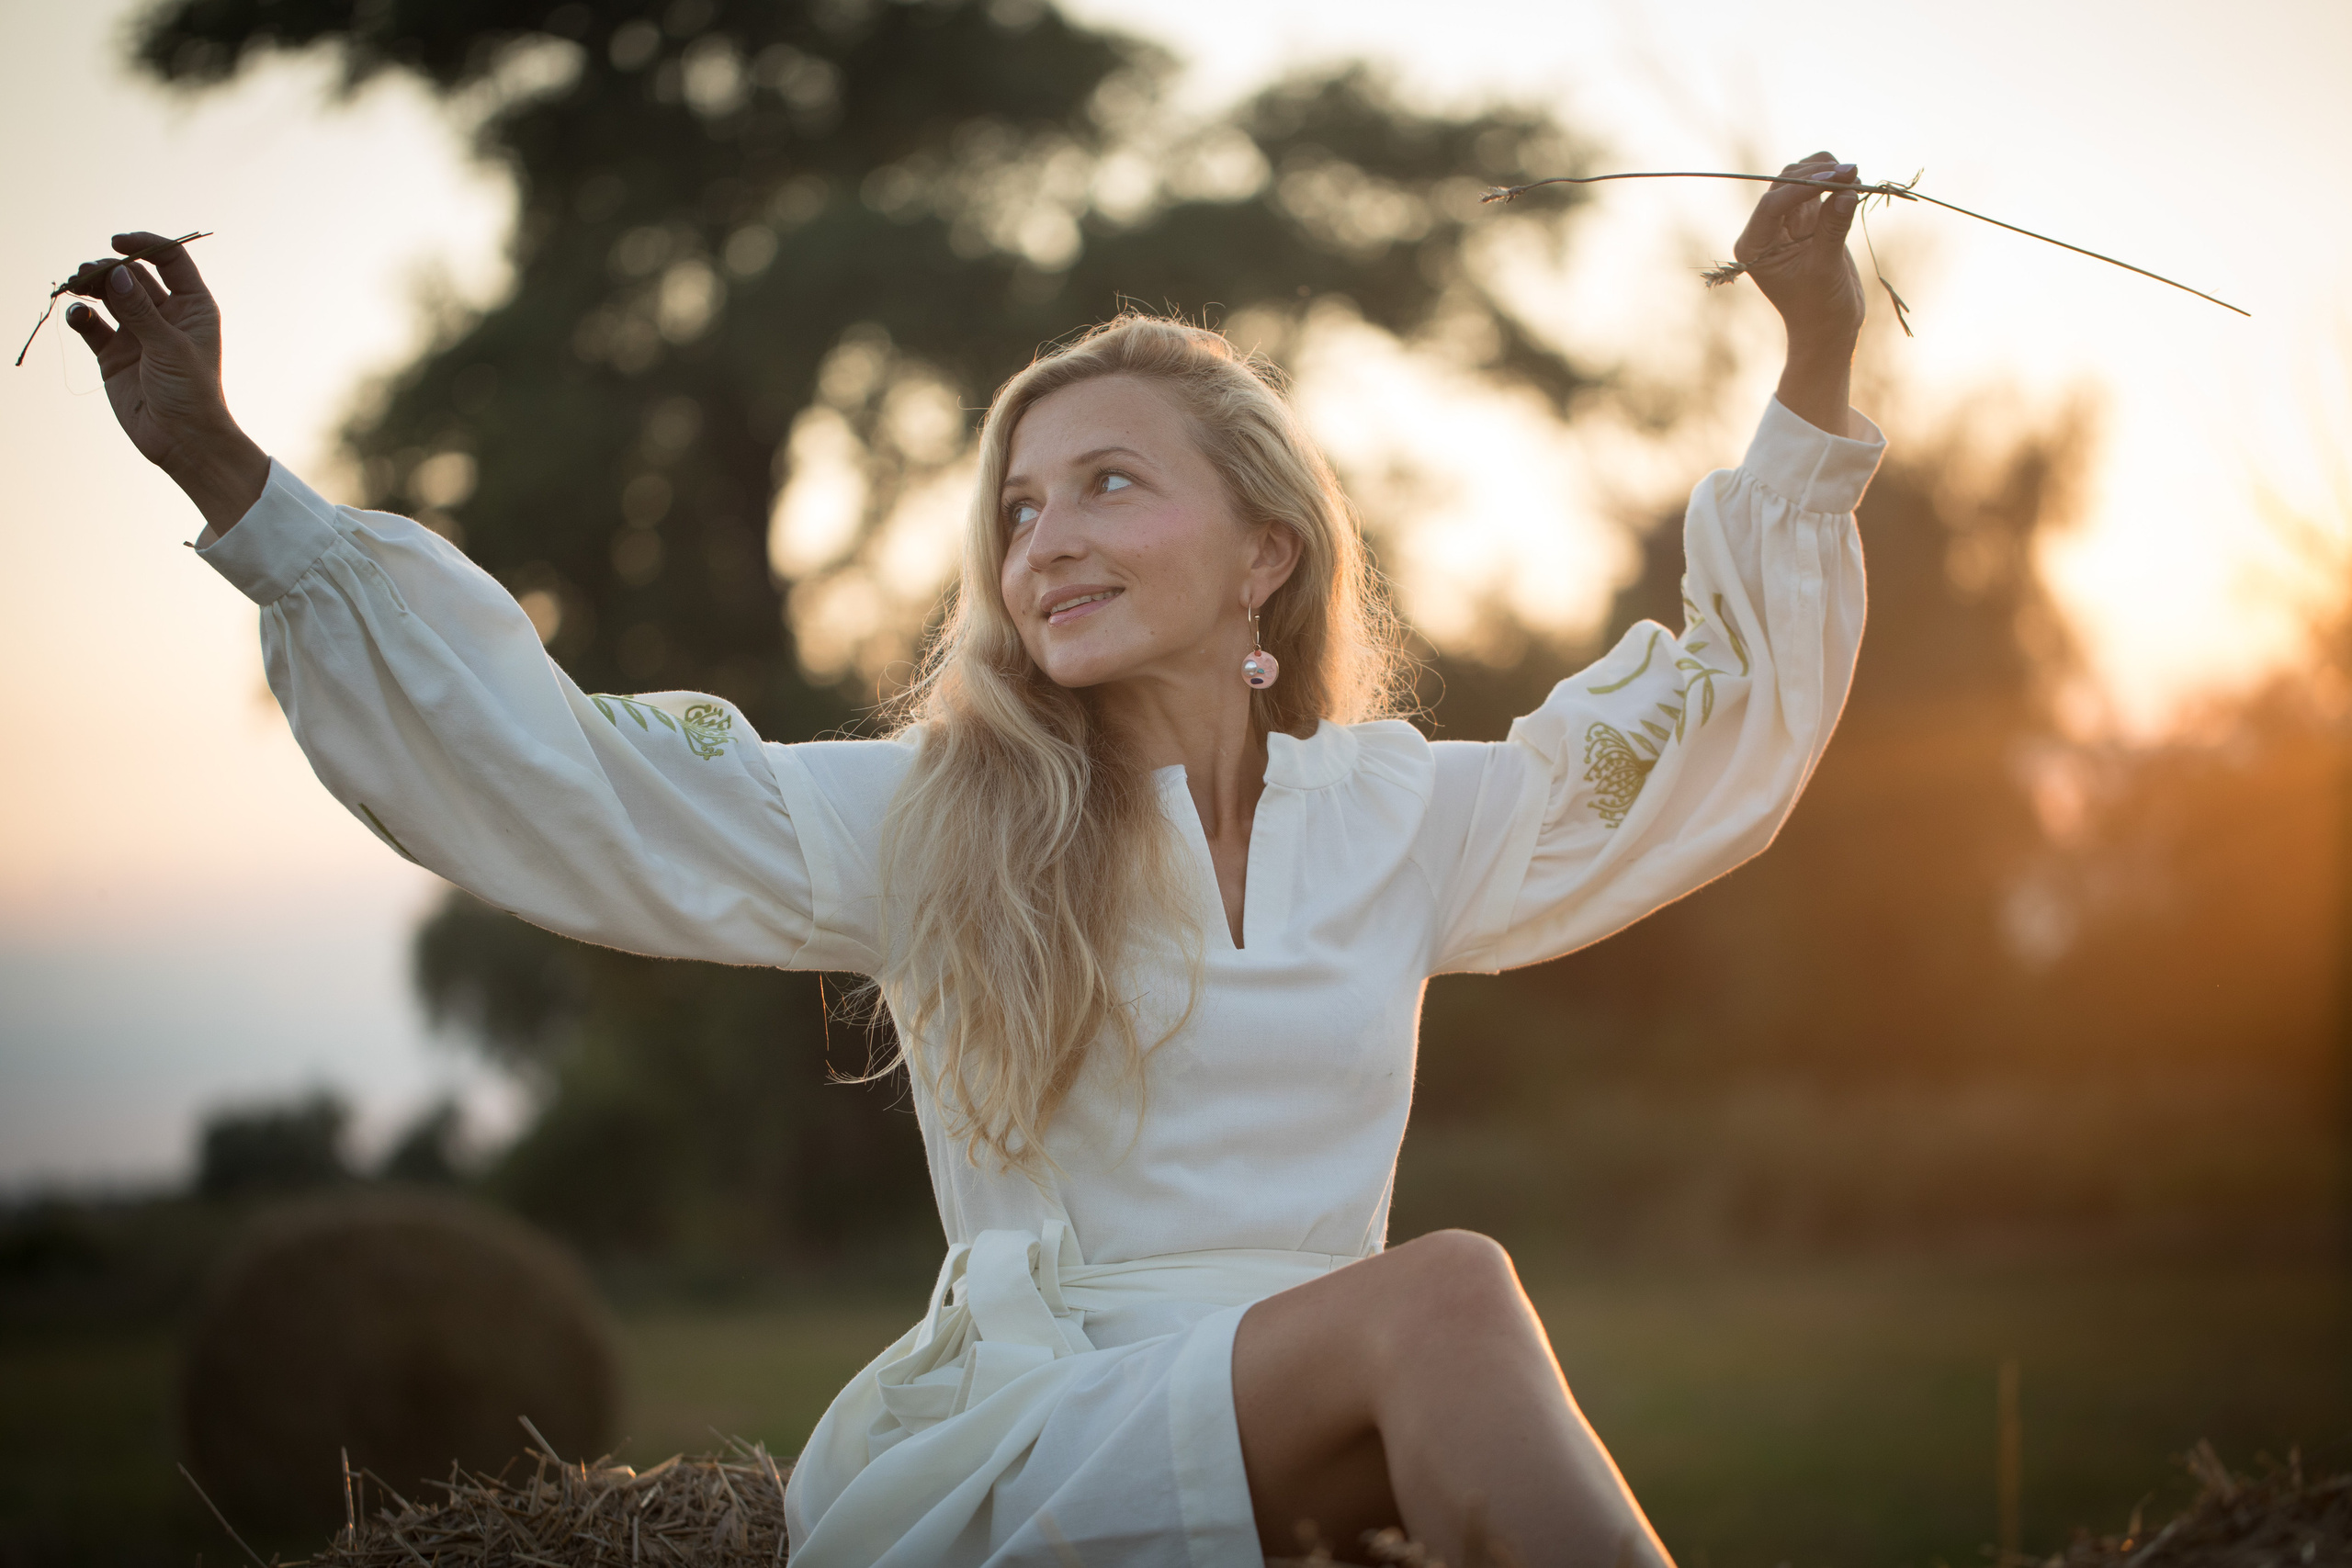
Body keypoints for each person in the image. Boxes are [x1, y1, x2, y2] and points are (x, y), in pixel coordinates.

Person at [65, 151, 1881, 1567]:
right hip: (1037, 1441)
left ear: (1262, 552)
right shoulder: (933, 819)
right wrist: (241, 483)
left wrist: (1807, 359)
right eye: (1016, 507)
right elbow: (572, 781)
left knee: (1435, 1334)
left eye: (1106, 484)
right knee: (1454, 1289)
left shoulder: (1395, 817)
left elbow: (1702, 743)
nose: (1043, 542)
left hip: (1322, 1420)